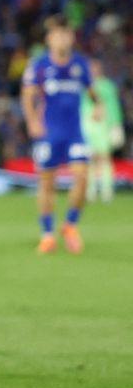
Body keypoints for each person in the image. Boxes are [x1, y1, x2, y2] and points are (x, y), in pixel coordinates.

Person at [20, 16, 102, 254]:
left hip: (74, 132)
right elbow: (27, 95)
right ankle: (47, 234)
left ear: (72, 37)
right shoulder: (40, 65)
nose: (62, 38)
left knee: (83, 177)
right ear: (49, 39)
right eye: (57, 34)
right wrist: (33, 121)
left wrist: (97, 106)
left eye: (66, 34)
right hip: (49, 133)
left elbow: (92, 91)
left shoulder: (80, 64)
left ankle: (70, 225)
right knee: (47, 184)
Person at [81, 57, 124, 203]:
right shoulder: (84, 85)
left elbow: (113, 106)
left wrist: (116, 124)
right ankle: (90, 190)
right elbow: (80, 106)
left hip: (103, 126)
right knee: (90, 158)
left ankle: (107, 190)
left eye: (95, 67)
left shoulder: (107, 86)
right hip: (87, 124)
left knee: (104, 157)